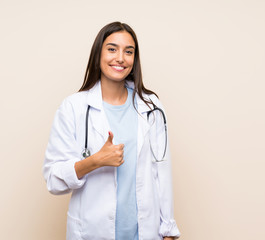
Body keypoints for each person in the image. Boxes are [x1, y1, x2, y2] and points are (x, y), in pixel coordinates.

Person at [43, 21, 180, 240]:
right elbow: (54, 180)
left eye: (129, 51)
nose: (120, 58)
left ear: (134, 60)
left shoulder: (151, 107)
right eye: (112, 49)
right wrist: (95, 161)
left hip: (144, 233)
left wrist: (168, 229)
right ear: (98, 53)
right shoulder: (74, 107)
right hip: (92, 231)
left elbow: (161, 172)